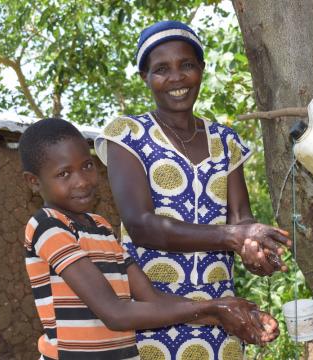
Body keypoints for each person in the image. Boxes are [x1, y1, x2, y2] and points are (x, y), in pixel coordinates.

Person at [94, 21, 291, 359]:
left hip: (226, 316)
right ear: (145, 77)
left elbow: (241, 219)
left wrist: (255, 251)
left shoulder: (224, 140)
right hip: (154, 315)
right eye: (161, 69)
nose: (176, 78)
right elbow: (140, 225)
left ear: (201, 69)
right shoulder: (127, 134)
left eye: (186, 65)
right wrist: (232, 237)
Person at [19, 118, 279, 360]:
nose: (82, 182)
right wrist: (216, 308)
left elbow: (151, 297)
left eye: (87, 166)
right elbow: (115, 313)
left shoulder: (100, 228)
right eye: (64, 174)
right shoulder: (48, 226)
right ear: (33, 182)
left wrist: (231, 313)